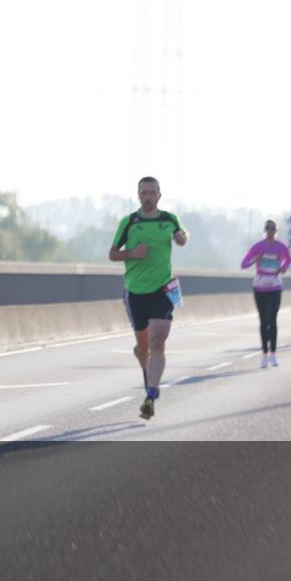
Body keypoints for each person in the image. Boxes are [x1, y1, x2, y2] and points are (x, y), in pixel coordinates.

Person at [109, 176, 188, 420]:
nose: (148, 197)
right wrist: (133, 253)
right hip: (135, 291)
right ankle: (144, 365)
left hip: (163, 289)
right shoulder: (129, 222)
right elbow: (113, 254)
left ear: (159, 196)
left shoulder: (169, 219)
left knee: (158, 343)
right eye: (144, 193)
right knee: (144, 347)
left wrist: (181, 237)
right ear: (138, 195)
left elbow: (181, 235)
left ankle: (151, 393)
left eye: (153, 193)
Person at [240, 220, 291, 367]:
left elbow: (289, 259)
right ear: (265, 230)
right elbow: (243, 264)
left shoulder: (281, 246)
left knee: (273, 319)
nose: (270, 231)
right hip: (260, 285)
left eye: (273, 228)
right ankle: (264, 354)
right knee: (263, 321)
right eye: (268, 228)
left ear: (276, 230)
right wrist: (255, 259)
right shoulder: (257, 247)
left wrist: (283, 268)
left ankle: (273, 354)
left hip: (275, 285)